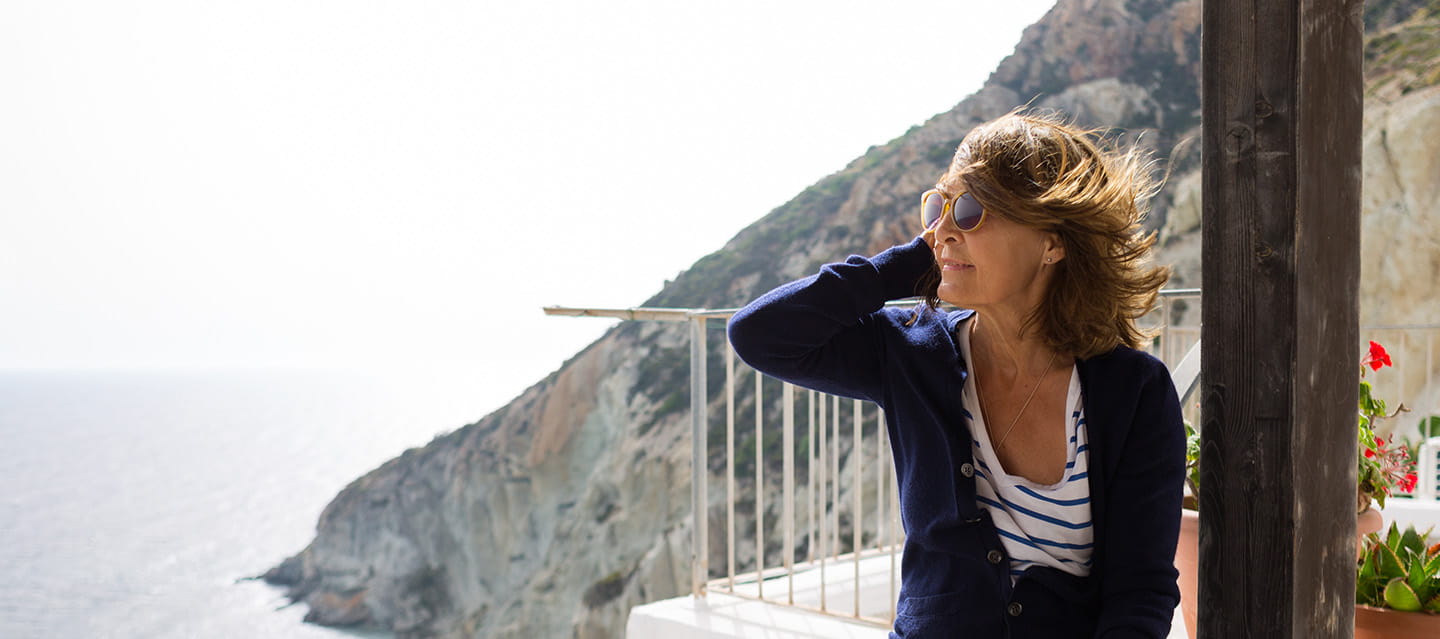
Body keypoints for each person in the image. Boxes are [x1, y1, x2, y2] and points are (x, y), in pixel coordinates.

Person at [727, 110, 1184, 639]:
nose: (940, 228)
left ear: (1053, 242)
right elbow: (760, 334)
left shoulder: (1132, 392)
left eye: (970, 211)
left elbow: (1140, 590)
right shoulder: (909, 350)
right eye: (937, 205)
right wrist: (916, 260)